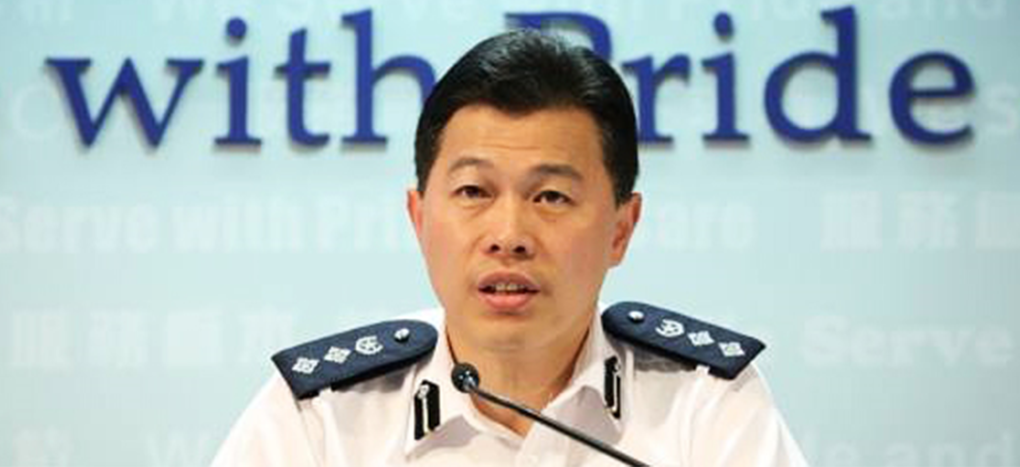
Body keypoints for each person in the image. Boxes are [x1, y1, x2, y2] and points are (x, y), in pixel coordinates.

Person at [210, 29, 808, 466]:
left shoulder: (704, 403)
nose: (509, 235)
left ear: (621, 229)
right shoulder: (323, 416)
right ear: (419, 219)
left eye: (551, 197)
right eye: (474, 191)